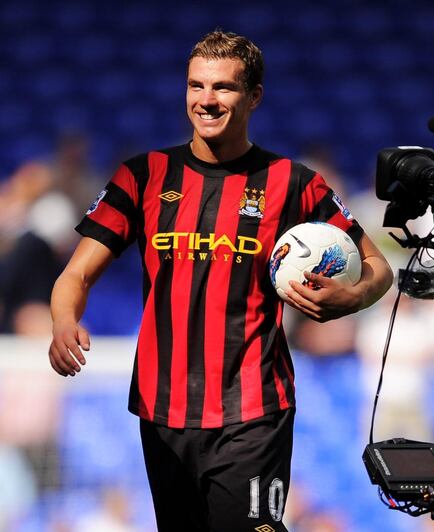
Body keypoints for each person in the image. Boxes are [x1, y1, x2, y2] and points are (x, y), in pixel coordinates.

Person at [47, 30, 393, 532]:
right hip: (162, 410)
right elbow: (75, 273)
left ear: (254, 96)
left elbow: (378, 268)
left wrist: (352, 296)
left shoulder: (294, 182)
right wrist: (63, 320)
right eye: (195, 86)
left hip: (254, 410)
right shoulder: (144, 175)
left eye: (223, 88)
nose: (206, 101)